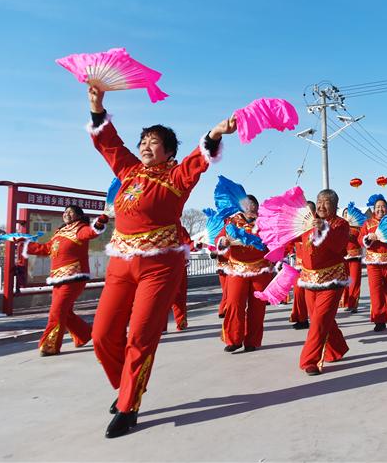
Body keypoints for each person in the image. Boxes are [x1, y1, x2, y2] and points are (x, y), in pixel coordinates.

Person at [86, 85, 235, 438]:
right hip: (121, 263)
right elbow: (109, 144)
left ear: (168, 152)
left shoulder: (175, 177)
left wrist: (214, 133)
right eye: (144, 141)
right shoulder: (128, 172)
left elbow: (198, 161)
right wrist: (96, 104)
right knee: (102, 335)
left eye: (154, 142)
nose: (145, 146)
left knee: (141, 334)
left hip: (160, 265)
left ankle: (129, 405)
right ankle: (128, 385)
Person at [19, 205, 107, 356]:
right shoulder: (59, 232)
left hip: (74, 277)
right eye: (65, 212)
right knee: (64, 312)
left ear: (78, 215)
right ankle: (84, 334)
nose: (66, 214)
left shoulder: (80, 228)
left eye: (70, 212)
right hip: (58, 278)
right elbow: (47, 248)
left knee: (57, 311)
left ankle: (49, 346)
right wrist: (24, 244)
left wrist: (100, 222)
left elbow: (91, 232)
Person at [295, 189, 350, 375]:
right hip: (310, 279)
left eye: (326, 202)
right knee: (320, 318)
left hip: (333, 279)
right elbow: (294, 242)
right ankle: (337, 348)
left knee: (319, 319)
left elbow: (338, 246)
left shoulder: (341, 224)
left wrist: (324, 229)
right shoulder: (307, 224)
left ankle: (309, 360)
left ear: (334, 206)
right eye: (319, 201)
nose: (321, 206)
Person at [215, 195, 272, 353]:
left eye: (253, 205)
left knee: (257, 307)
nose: (251, 208)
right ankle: (234, 339)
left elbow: (273, 242)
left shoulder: (265, 223)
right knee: (234, 303)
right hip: (237, 269)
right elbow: (219, 238)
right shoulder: (232, 221)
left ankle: (252, 341)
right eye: (247, 205)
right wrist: (223, 242)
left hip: (260, 269)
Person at [359, 196, 387, 331]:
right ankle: (379, 320)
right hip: (374, 263)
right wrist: (367, 238)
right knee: (376, 291)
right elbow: (360, 238)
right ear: (374, 209)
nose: (380, 209)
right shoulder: (367, 223)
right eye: (377, 207)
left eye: (382, 207)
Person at [289, 201, 315, 329]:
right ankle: (302, 319)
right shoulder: (297, 229)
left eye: (309, 211)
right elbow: (288, 243)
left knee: (312, 297)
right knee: (298, 293)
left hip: (315, 269)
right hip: (299, 266)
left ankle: (316, 320)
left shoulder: (318, 228)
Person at [342, 208, 364, 313]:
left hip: (355, 257)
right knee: (345, 281)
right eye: (345, 213)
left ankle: (353, 304)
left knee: (354, 281)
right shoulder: (340, 226)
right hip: (343, 257)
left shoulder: (358, 227)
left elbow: (361, 240)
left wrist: (353, 236)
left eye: (348, 213)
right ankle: (346, 302)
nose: (347, 215)